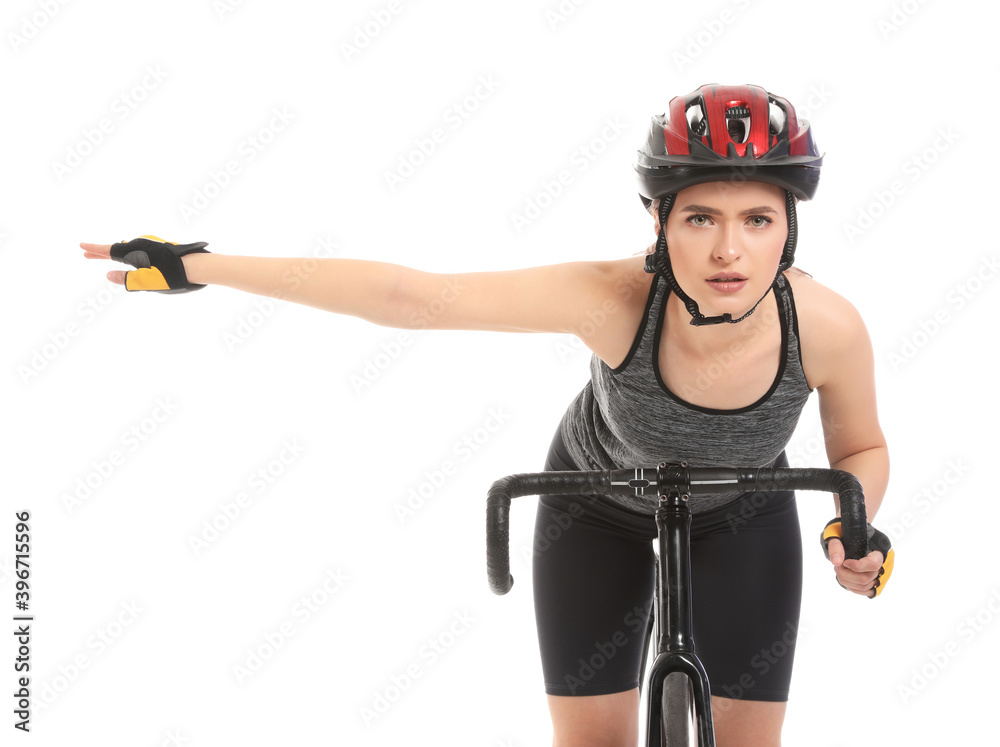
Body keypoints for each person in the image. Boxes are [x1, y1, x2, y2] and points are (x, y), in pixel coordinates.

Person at [82, 83, 894, 747]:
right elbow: (411, 297)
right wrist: (199, 265)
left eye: (757, 219)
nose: (729, 251)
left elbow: (860, 445)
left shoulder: (824, 326)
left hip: (743, 509)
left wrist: (848, 530)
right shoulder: (612, 299)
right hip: (595, 504)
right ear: (658, 221)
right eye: (700, 219)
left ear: (790, 229)